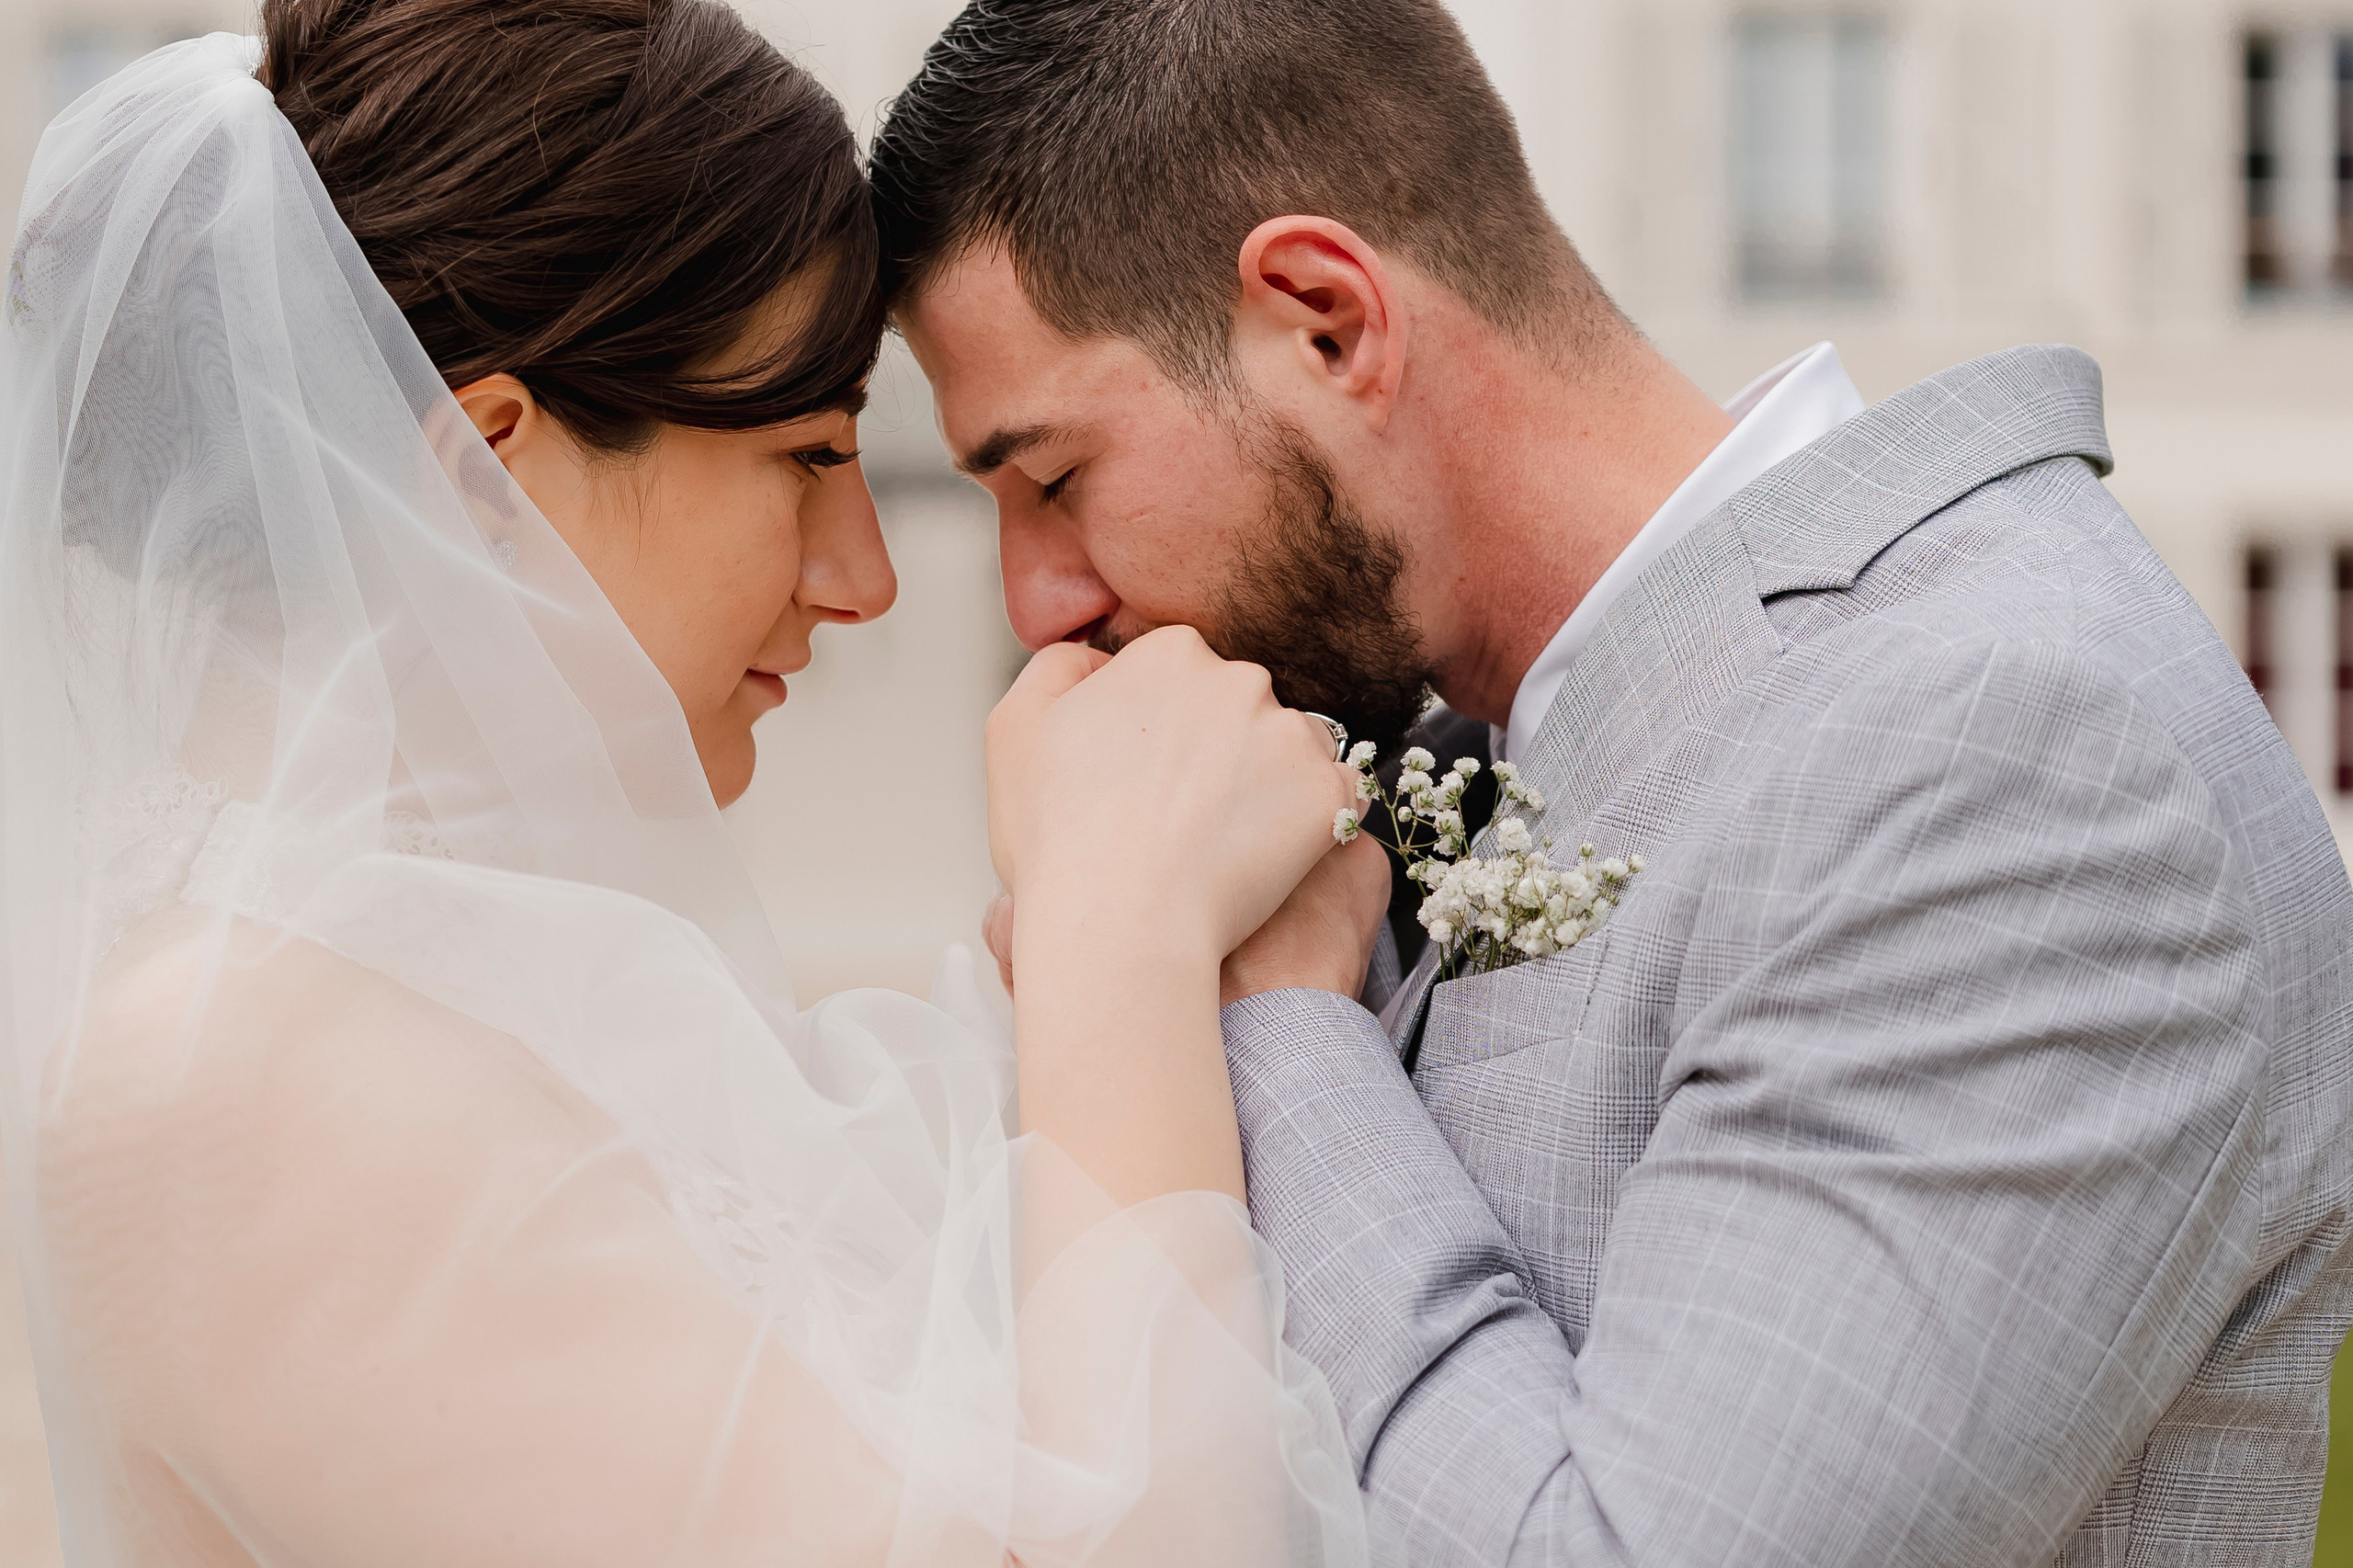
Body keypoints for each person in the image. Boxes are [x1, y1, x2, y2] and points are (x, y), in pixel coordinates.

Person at [872, 0, 2353, 1562]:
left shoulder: (2013, 759)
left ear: (1326, 319)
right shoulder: (1407, 756)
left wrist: (1263, 1011)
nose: (1037, 602)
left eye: (1053, 480)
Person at [0, 6, 1373, 1563]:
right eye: (803, 453)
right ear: (490, 471)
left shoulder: (440, 977)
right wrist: (1116, 945)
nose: (868, 577)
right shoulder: (228, 1078)